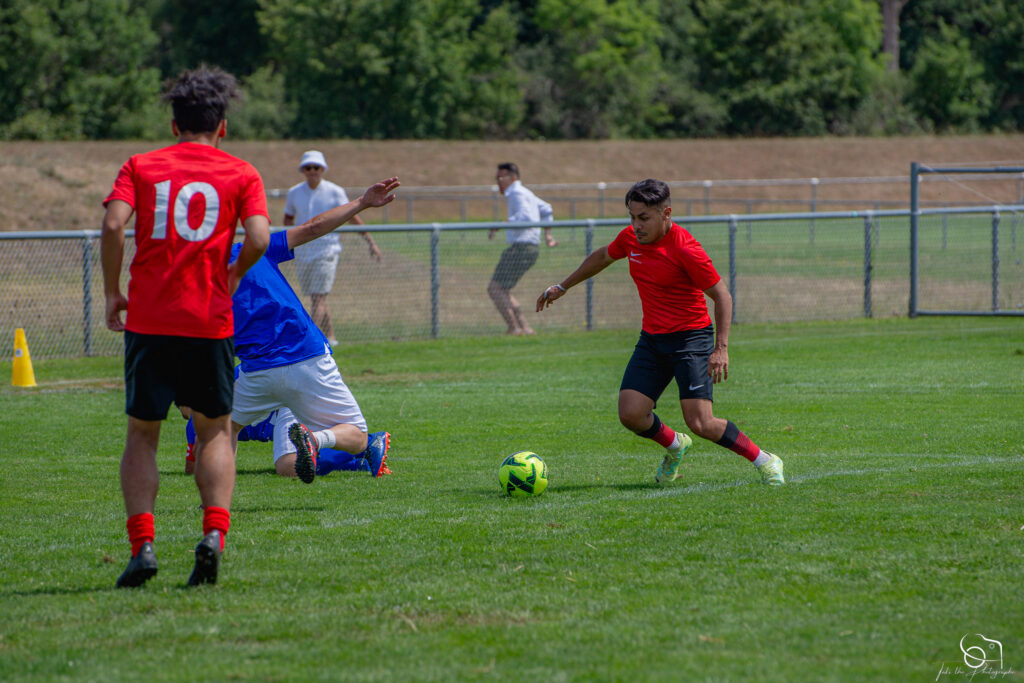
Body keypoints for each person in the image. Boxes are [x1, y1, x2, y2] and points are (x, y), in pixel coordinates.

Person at [101, 65, 271, 589]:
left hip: (150, 320)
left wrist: (113, 292)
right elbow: (260, 236)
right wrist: (235, 274)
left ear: (173, 125)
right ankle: (213, 537)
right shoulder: (241, 173)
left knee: (143, 433)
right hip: (209, 320)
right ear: (222, 126)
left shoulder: (141, 165)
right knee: (215, 428)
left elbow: (112, 224)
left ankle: (143, 547)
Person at [536, 178, 785, 486]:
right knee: (630, 414)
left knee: (701, 423)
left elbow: (722, 296)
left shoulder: (686, 249)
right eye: (632, 217)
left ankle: (766, 460)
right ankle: (674, 445)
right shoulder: (631, 239)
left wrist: (721, 348)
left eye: (644, 218)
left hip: (691, 340)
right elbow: (603, 256)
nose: (636, 225)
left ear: (666, 213)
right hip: (652, 340)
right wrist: (563, 286)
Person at [222, 176, 401, 486]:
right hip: (306, 361)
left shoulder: (194, 275)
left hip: (258, 373)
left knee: (223, 429)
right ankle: (318, 440)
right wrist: (361, 202)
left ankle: (213, 503)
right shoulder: (255, 249)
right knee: (357, 436)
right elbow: (313, 228)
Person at [284, 150, 382, 345]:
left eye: (316, 167)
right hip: (303, 251)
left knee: (318, 297)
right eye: (308, 167)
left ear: (323, 169)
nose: (312, 171)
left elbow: (353, 216)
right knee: (316, 296)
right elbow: (288, 219)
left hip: (327, 250)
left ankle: (307, 339)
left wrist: (370, 241)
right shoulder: (294, 192)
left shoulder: (335, 191)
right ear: (303, 170)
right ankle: (331, 337)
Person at [184, 404, 391, 478]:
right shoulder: (196, 421)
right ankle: (358, 462)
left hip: (288, 403)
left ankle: (367, 443)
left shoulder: (197, 419)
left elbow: (193, 468)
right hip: (287, 410)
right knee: (297, 463)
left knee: (289, 467)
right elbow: (194, 468)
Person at [488, 162, 557, 335]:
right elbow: (547, 209)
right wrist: (548, 235)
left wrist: (501, 224)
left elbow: (524, 217)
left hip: (521, 247)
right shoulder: (526, 192)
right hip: (530, 248)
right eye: (496, 178)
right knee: (502, 289)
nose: (498, 182)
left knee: (494, 288)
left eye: (501, 178)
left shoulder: (515, 192)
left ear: (513, 178)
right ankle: (525, 328)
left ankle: (514, 328)